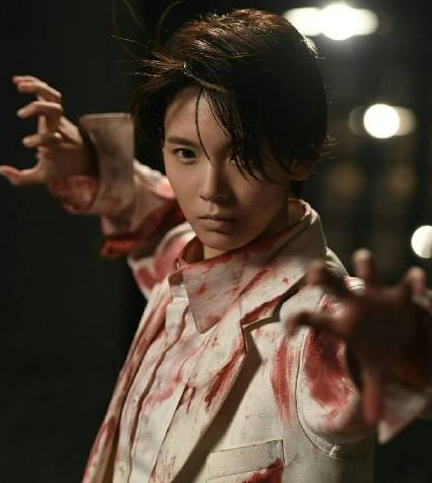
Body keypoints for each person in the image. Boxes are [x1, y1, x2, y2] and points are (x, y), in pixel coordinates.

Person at [1, 8, 432, 483]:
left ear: (301, 154)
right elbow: (157, 215)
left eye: (242, 156)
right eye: (186, 153)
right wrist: (87, 160)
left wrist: (409, 341)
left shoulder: (320, 326)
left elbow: (401, 369)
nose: (211, 191)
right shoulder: (187, 265)